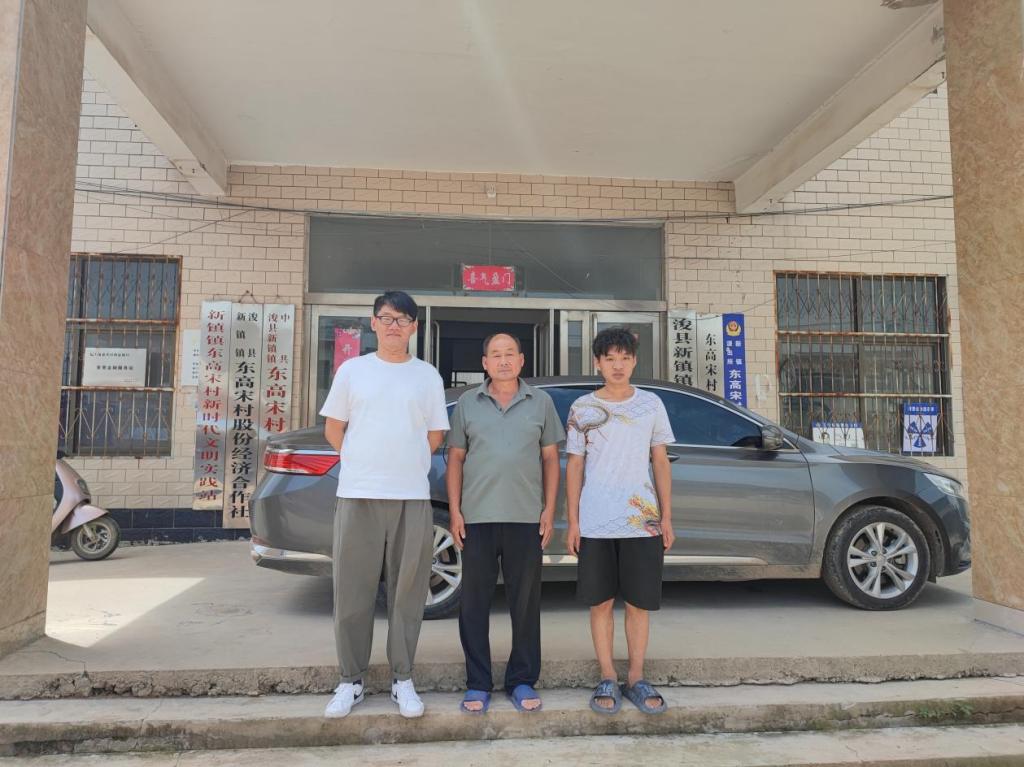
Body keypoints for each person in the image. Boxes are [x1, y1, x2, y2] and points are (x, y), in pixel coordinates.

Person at [319, 290, 449, 719]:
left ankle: (403, 678)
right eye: (387, 318)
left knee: (408, 593)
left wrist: (403, 461)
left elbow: (435, 435)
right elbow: (334, 429)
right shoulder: (352, 371)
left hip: (411, 496)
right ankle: (350, 680)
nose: (395, 326)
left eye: (403, 319)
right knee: (352, 591)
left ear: (414, 327)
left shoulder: (427, 376)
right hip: (358, 494)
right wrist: (363, 461)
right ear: (373, 323)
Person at [446, 333, 565, 714]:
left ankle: (522, 679)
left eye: (509, 354)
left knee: (525, 603)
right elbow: (455, 459)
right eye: (495, 355)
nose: (503, 361)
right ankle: (477, 682)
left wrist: (549, 510)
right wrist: (455, 511)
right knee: (474, 604)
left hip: (525, 517)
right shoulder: (468, 403)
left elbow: (550, 459)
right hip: (476, 517)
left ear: (521, 360)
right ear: (484, 363)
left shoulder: (540, 402)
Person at [565, 326, 675, 715]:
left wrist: (666, 517)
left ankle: (637, 678)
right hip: (596, 519)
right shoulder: (582, 407)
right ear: (597, 362)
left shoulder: (651, 404)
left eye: (624, 358)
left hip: (642, 521)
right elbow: (574, 465)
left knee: (638, 604)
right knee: (600, 603)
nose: (617, 365)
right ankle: (608, 675)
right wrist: (573, 521)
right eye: (610, 358)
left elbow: (660, 461)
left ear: (634, 361)